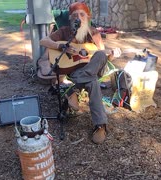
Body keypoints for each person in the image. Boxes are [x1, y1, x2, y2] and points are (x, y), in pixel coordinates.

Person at [40, 2, 120, 144]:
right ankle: (100, 125)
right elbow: (43, 41)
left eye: (82, 14)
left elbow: (103, 57)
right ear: (71, 18)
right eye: (75, 15)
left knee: (101, 55)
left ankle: (74, 91)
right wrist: (60, 46)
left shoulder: (94, 33)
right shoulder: (64, 31)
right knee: (92, 82)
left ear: (87, 17)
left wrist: (112, 55)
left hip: (94, 68)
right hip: (75, 69)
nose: (79, 17)